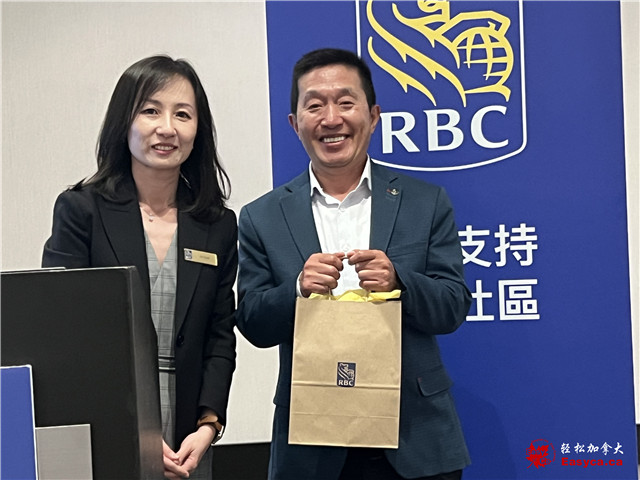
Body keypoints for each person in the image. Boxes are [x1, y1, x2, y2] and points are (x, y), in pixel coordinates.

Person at [236, 48, 471, 480]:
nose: (331, 119)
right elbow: (252, 322)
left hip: (415, 439)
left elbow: (453, 305)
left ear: (374, 115)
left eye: (346, 102)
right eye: (314, 106)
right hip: (312, 444)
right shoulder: (261, 217)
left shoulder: (425, 202)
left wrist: (400, 281)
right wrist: (297, 290)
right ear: (294, 123)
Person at [42, 55, 237, 479]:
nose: (167, 128)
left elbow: (220, 336)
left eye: (182, 114)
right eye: (150, 110)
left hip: (190, 444)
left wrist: (208, 425)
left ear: (198, 130)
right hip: (107, 429)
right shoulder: (82, 211)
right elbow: (63, 334)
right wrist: (136, 430)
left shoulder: (218, 224)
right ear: (124, 121)